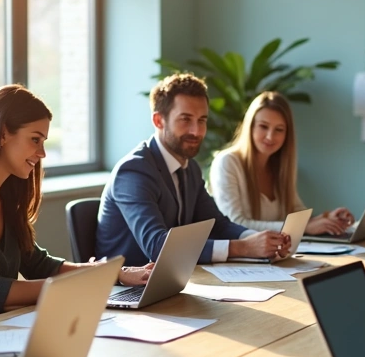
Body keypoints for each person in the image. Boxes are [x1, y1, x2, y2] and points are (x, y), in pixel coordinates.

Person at [0, 85, 152, 320]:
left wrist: (114, 273)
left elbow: (40, 265)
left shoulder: (7, 194)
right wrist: (83, 284)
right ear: (3, 134)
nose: (42, 153)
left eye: (44, 141)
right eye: (35, 139)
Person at [97, 74, 289, 268]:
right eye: (185, 119)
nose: (196, 131)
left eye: (202, 120)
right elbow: (157, 246)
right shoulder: (134, 171)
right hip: (127, 290)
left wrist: (261, 240)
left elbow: (218, 225)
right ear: (158, 121)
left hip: (174, 280)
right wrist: (242, 247)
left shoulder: (190, 169)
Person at [210, 91, 354, 235]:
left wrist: (326, 219)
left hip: (275, 253)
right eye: (263, 126)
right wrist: (302, 228)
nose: (270, 136)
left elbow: (297, 213)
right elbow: (235, 224)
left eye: (279, 130)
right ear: (250, 127)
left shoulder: (280, 166)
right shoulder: (227, 162)